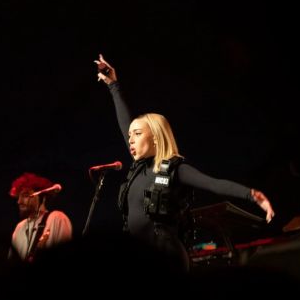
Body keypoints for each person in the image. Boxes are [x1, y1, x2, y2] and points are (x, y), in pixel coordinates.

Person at [94, 54, 275, 272]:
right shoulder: (137, 169)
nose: (130, 139)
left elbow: (213, 184)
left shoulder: (174, 169)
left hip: (166, 257)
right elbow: (125, 122)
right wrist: (112, 84)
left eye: (138, 134)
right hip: (139, 256)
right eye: (130, 135)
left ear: (156, 138)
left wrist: (252, 195)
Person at [8, 172, 73, 263]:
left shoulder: (57, 218)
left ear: (42, 197)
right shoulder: (19, 228)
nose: (19, 201)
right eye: (18, 196)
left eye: (25, 195)